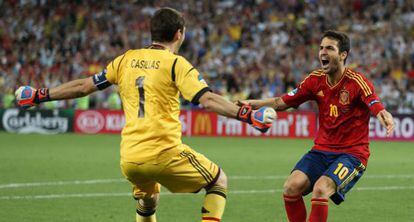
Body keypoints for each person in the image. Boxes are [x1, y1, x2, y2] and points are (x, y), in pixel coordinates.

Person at [15, 8, 274, 222]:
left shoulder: (126, 59)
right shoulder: (176, 64)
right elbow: (206, 99)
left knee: (149, 200)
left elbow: (83, 86)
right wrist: (247, 115)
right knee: (218, 181)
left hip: (130, 158)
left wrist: (40, 94)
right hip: (163, 152)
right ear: (179, 34)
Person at [239, 30, 395, 222]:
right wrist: (253, 104)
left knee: (321, 189)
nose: (323, 52)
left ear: (342, 55)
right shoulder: (315, 80)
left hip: (353, 154)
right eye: (321, 48)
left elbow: (374, 102)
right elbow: (281, 102)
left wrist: (383, 113)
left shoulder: (356, 82)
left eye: (329, 48)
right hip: (321, 151)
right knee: (291, 186)